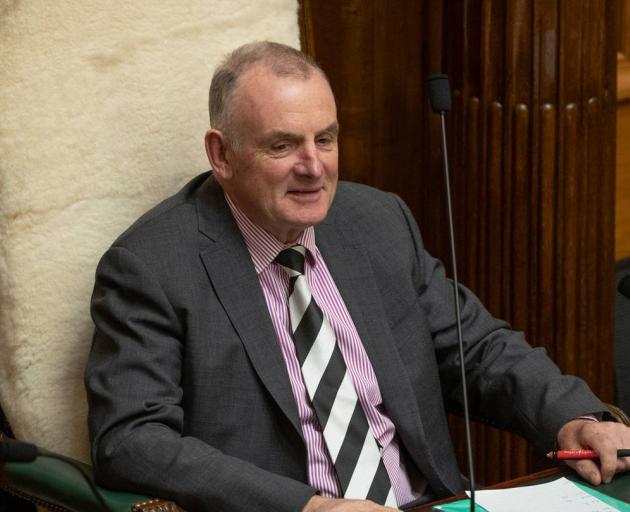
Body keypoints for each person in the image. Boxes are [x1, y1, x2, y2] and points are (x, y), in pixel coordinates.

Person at [85, 41, 630, 512]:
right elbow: (132, 439)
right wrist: (307, 505)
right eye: (282, 145)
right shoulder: (152, 266)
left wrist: (573, 419)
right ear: (221, 154)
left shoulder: (375, 222)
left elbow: (477, 349)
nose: (314, 166)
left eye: (325, 139)